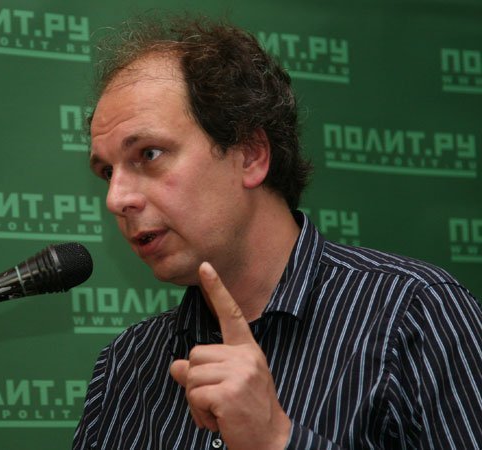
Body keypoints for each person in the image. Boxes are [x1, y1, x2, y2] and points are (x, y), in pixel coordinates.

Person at [72, 15, 482, 450]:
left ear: (250, 155)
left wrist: (276, 440)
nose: (116, 199)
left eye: (149, 154)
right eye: (107, 172)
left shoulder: (414, 315)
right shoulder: (126, 365)